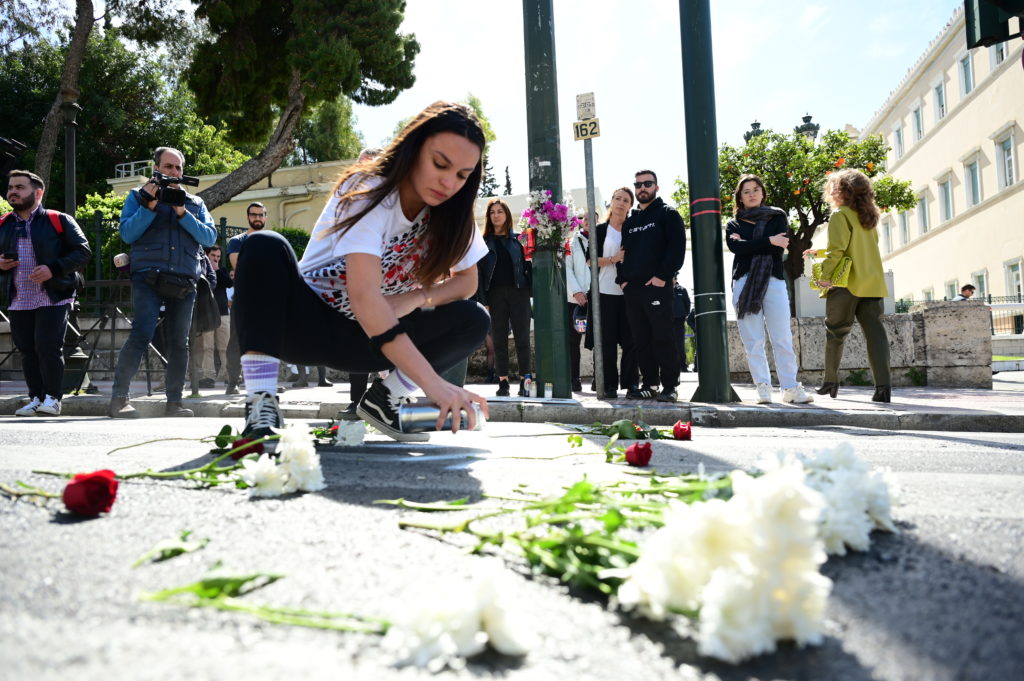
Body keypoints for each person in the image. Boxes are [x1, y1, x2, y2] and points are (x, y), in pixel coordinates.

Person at [233, 101, 491, 447]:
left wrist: (413, 299)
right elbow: (364, 297)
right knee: (263, 244)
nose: (448, 183)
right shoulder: (370, 188)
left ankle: (385, 401)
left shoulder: (453, 214)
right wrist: (433, 383)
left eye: (462, 175)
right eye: (440, 163)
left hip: (368, 341)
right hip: (305, 324)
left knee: (473, 318)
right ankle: (261, 406)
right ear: (414, 148)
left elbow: (467, 282)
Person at [109, 147, 216, 418]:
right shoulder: (137, 196)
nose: (174, 172)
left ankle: (175, 403)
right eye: (168, 167)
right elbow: (128, 233)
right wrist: (150, 205)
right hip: (148, 276)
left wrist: (182, 212)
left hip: (184, 278)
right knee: (141, 334)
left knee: (180, 341)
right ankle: (119, 399)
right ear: (156, 168)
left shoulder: (196, 203)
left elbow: (210, 238)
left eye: (178, 168)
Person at [1, 170, 91, 416]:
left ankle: (53, 398)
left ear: (37, 192)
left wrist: (53, 268)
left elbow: (82, 252)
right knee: (27, 350)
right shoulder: (4, 223)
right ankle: (36, 398)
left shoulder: (58, 219)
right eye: (11, 187)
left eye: (20, 187)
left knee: (47, 346)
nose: (13, 192)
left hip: (54, 293)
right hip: (19, 296)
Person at [726, 174, 813, 404]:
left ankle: (790, 388)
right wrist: (768, 241)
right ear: (740, 197)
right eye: (746, 191)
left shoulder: (777, 216)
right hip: (745, 282)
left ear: (763, 193)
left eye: (756, 189)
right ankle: (762, 387)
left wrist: (752, 244)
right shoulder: (733, 224)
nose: (752, 193)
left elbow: (779, 247)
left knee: (782, 336)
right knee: (752, 339)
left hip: (773, 280)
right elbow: (736, 247)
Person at [813, 168, 891, 403]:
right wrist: (819, 252)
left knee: (835, 333)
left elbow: (839, 251)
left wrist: (825, 277)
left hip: (847, 284)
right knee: (876, 335)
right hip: (873, 283)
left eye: (835, 188)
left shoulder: (840, 215)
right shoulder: (869, 218)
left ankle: (830, 382)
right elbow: (856, 249)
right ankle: (883, 388)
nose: (832, 192)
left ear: (844, 192)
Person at [619, 170, 686, 402]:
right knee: (641, 339)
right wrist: (623, 280)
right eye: (638, 185)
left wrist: (662, 277)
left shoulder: (668, 214)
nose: (642, 188)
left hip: (657, 287)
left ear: (656, 187)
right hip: (633, 290)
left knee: (663, 337)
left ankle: (670, 386)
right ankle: (650, 384)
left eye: (647, 184)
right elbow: (623, 254)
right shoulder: (631, 222)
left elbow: (677, 249)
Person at [586, 187, 639, 398]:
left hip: (629, 293)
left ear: (630, 205)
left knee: (631, 341)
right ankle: (608, 384)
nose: (620, 202)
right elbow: (591, 261)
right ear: (611, 202)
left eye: (625, 200)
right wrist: (613, 259)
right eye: (617, 198)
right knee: (606, 342)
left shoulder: (634, 229)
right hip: (605, 292)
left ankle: (631, 384)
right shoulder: (600, 230)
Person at [478, 197, 532, 397]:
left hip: (519, 292)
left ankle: (525, 381)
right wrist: (483, 301)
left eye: (500, 211)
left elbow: (528, 267)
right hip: (495, 295)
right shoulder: (483, 243)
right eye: (492, 212)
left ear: (507, 215)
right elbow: (480, 274)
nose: (496, 215)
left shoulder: (519, 240)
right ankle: (503, 383)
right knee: (499, 339)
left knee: (522, 338)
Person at [223, 202, 267, 395]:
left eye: (261, 215)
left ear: (265, 216)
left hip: (267, 299)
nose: (257, 218)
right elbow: (240, 266)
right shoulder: (236, 241)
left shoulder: (271, 240)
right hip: (244, 299)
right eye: (254, 215)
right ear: (248, 216)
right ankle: (233, 382)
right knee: (237, 340)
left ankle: (261, 382)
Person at [188, 246, 220, 390]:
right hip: (186, 303)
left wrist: (205, 290)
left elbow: (213, 277)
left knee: (207, 345)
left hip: (203, 307)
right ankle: (195, 376)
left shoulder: (202, 256)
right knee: (193, 345)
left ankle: (207, 377)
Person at [565, 214, 590, 392]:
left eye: (593, 218)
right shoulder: (572, 243)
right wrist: (576, 292)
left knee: (600, 340)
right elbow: (567, 268)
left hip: (598, 297)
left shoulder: (602, 240)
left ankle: (600, 379)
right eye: (586, 218)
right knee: (573, 342)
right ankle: (575, 378)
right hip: (576, 301)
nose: (589, 222)